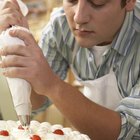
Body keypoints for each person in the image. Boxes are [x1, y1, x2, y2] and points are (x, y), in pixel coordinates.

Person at [0, 0, 140, 139]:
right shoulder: (61, 26)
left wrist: (52, 85)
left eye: (97, 3)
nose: (78, 17)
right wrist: (18, 45)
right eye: (71, 0)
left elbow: (123, 131)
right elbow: (38, 101)